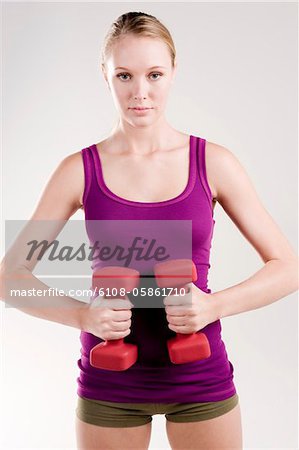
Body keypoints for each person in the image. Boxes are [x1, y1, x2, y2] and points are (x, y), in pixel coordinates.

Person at [1, 10, 298, 450]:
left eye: (154, 74)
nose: (140, 92)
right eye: (124, 75)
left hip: (199, 376)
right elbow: (11, 278)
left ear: (173, 73)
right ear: (105, 76)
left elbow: (287, 267)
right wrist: (83, 315)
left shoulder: (212, 162)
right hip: (110, 381)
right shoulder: (78, 171)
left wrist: (213, 306)